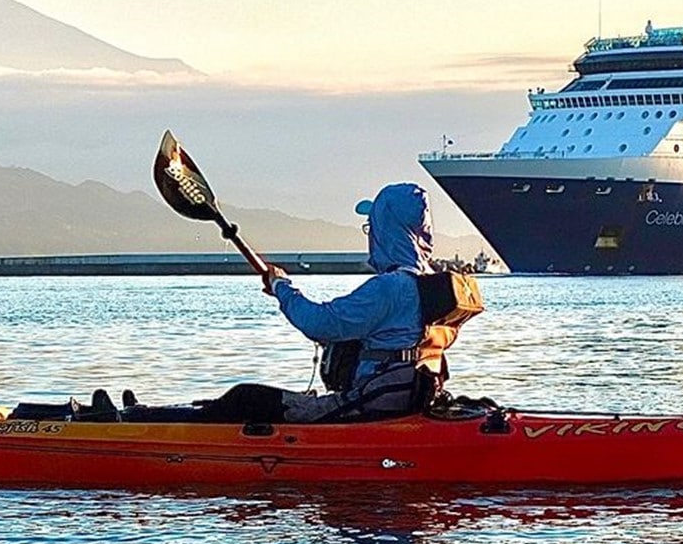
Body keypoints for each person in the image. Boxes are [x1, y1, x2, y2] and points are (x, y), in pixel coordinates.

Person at [193, 182, 477, 424]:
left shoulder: (391, 288)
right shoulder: (435, 286)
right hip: (413, 397)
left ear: (386, 231)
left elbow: (321, 324)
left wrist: (282, 288)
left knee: (245, 398)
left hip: (375, 404)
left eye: (372, 227)